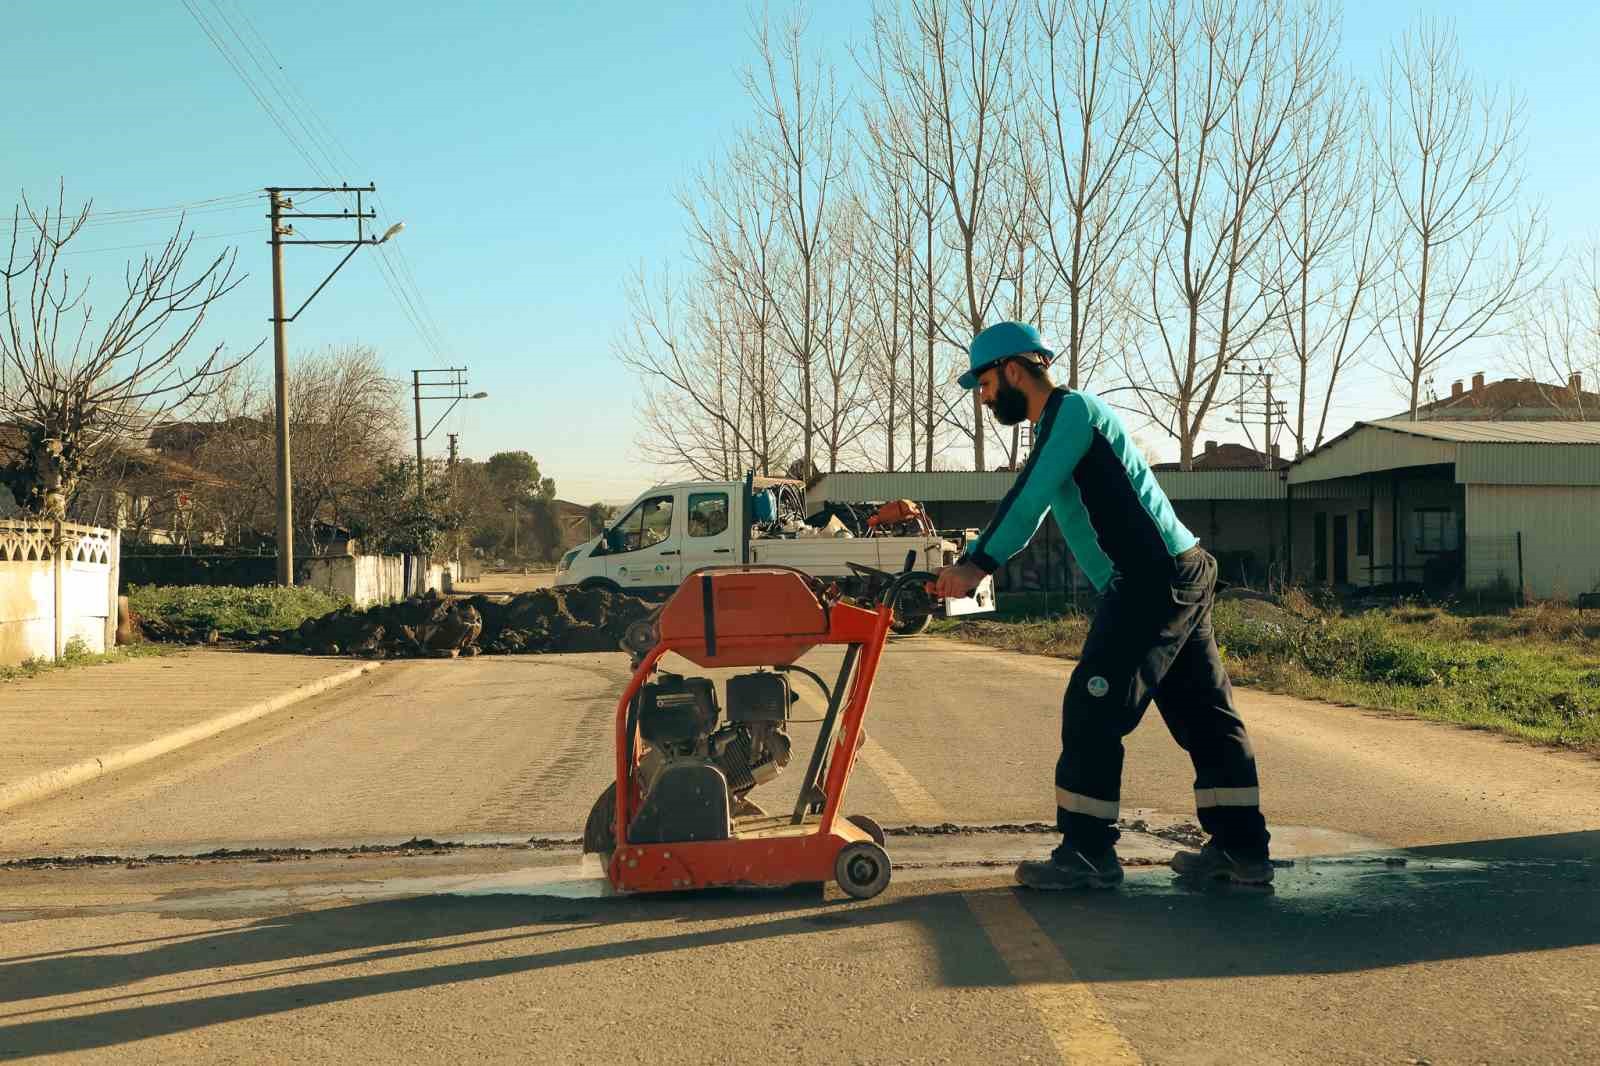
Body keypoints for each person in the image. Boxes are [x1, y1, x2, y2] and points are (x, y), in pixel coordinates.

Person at [933, 321, 1273, 890]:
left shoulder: (1071, 411)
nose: (984, 397)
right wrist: (975, 556)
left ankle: (1088, 854)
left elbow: (1028, 497)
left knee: (1093, 707)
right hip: (1174, 574)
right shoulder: (1061, 426)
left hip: (1150, 580)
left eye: (986, 383)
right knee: (1203, 716)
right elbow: (1037, 507)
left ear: (1015, 371)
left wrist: (977, 565)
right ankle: (1242, 850)